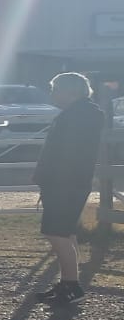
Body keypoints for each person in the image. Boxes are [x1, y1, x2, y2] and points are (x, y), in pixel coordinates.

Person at [33, 71, 106, 305]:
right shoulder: (81, 114)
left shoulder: (78, 116)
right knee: (66, 232)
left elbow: (68, 153)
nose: (53, 93)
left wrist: (51, 178)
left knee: (56, 232)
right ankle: (68, 282)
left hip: (65, 183)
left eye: (56, 89)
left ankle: (72, 285)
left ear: (70, 91)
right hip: (69, 182)